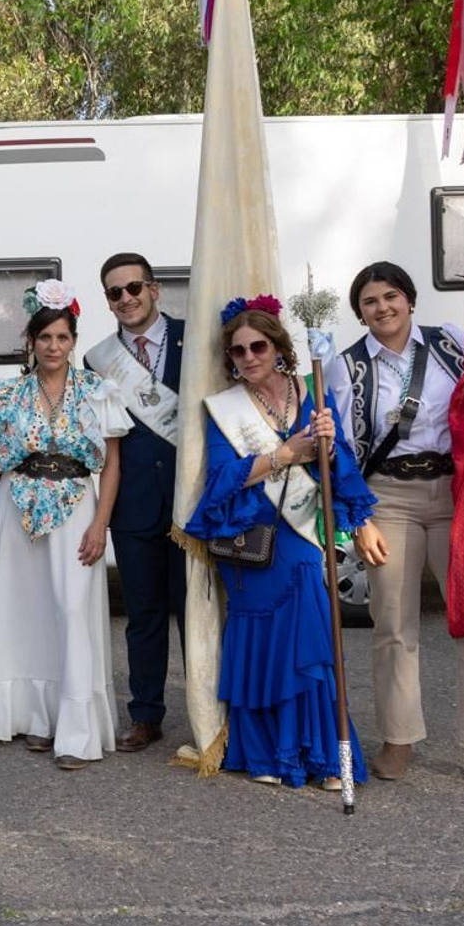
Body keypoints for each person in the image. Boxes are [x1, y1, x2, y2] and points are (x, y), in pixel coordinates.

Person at [325, 261, 464, 790]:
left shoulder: (453, 343)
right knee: (392, 622)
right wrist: (359, 517)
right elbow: (342, 451)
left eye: (391, 296)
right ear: (360, 313)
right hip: (388, 495)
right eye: (370, 302)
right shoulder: (344, 368)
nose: (382, 308)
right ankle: (399, 737)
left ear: (410, 300)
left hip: (460, 492)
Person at [183, 297, 377, 789]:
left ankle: (323, 756)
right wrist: (283, 453)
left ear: (278, 347)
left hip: (301, 534)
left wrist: (330, 454)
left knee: (309, 638)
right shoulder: (225, 410)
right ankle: (266, 752)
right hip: (251, 537)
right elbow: (222, 478)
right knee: (259, 641)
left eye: (258, 346)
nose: (248, 357)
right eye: (238, 351)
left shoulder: (310, 391)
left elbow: (340, 467)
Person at [0, 280, 129, 768]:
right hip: (15, 506)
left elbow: (111, 465)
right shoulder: (6, 394)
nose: (53, 346)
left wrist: (101, 524)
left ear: (73, 340)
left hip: (76, 508)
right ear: (31, 341)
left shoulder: (97, 391)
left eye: (62, 338)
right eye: (45, 337)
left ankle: (76, 730)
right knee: (23, 614)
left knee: (71, 611)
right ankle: (35, 717)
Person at [81, 253, 186, 752]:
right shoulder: (97, 360)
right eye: (114, 293)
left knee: (199, 614)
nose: (125, 299)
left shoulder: (197, 337)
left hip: (193, 502)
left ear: (155, 288)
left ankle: (213, 712)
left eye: (133, 288)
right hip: (133, 505)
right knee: (143, 617)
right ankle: (146, 715)